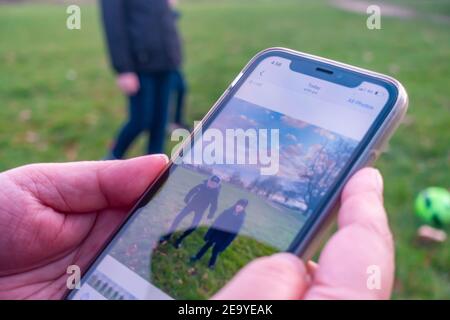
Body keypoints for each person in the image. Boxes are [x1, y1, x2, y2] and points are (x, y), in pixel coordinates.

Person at [0, 156, 394, 299]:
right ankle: (181, 241)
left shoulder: (230, 208)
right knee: (179, 227)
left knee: (195, 239)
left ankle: (189, 245)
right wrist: (191, 207)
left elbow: (220, 217)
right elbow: (200, 204)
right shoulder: (208, 192)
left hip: (207, 233)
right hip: (191, 219)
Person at [100, 0, 182, 158]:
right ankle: (110, 160)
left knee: (160, 122)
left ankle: (154, 170)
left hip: (166, 61)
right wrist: (123, 68)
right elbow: (113, 25)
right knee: (140, 121)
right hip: (139, 65)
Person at [159, 175, 222, 248]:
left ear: (217, 185)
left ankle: (179, 240)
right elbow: (192, 191)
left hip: (200, 210)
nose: (212, 184)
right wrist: (187, 198)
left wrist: (211, 213)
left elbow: (214, 204)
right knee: (178, 218)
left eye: (214, 184)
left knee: (193, 227)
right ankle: (167, 236)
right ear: (208, 181)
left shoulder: (215, 193)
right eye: (211, 182)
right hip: (191, 205)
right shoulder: (201, 186)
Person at [191, 199, 248, 269]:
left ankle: (211, 264)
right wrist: (209, 233)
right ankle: (197, 257)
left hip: (224, 237)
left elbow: (233, 234)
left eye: (242, 206)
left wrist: (225, 244)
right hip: (216, 232)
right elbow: (216, 222)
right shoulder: (227, 212)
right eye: (239, 204)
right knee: (207, 245)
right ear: (236, 204)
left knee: (215, 251)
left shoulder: (240, 219)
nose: (239, 207)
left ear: (244, 208)